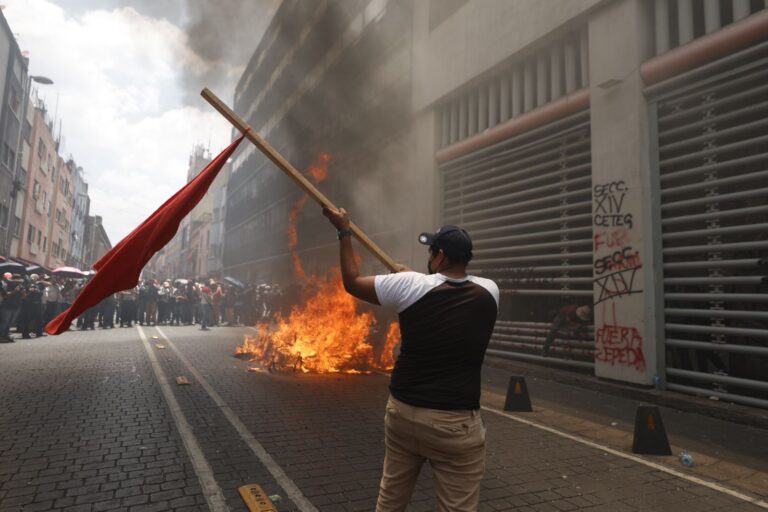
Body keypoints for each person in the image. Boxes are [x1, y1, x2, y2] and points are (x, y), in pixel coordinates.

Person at [322, 207, 499, 512]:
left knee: (390, 501)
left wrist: (344, 230)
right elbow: (439, 286)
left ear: (440, 256)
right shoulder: (490, 291)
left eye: (431, 251)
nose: (429, 257)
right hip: (454, 424)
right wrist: (412, 278)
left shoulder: (410, 285)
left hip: (404, 414)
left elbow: (351, 282)